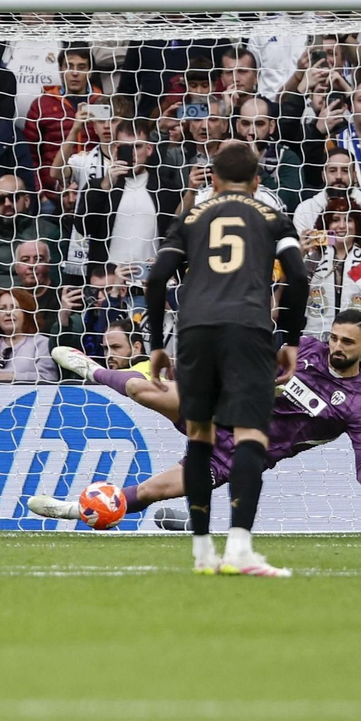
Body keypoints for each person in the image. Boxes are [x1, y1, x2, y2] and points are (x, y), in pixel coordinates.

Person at [34, 311, 361, 524]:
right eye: (334, 337)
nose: (336, 347)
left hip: (235, 455)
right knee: (140, 390)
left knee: (151, 491)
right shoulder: (308, 350)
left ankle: (74, 510)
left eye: (347, 342)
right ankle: (92, 370)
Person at [140, 140, 310, 577]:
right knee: (251, 435)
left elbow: (157, 277)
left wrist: (157, 342)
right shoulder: (273, 216)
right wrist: (290, 337)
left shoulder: (191, 217)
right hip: (248, 329)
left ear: (211, 180)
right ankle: (239, 548)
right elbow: (297, 275)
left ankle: (202, 552)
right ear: (257, 181)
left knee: (199, 435)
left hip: (195, 331)